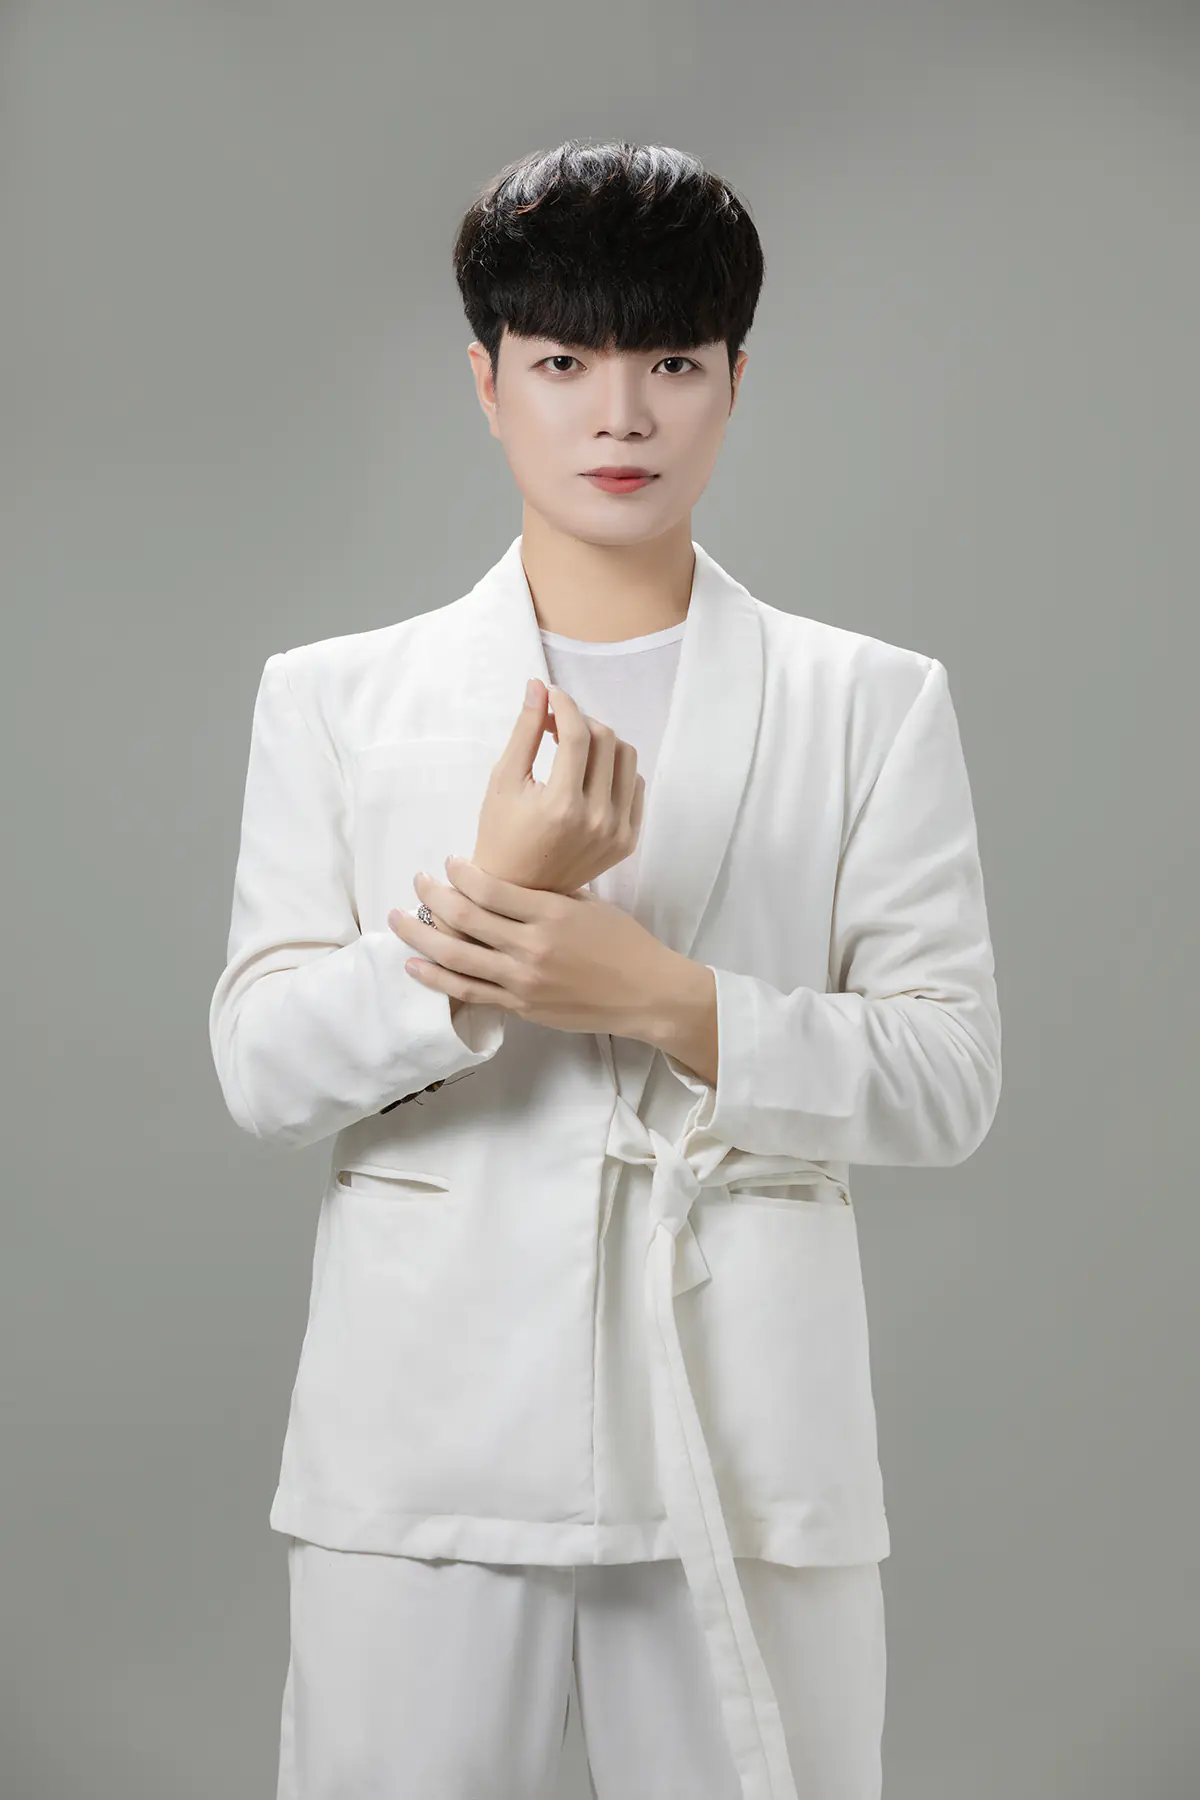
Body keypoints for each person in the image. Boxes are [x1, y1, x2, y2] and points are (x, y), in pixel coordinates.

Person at [209, 138, 1002, 1800]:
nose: (620, 415)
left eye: (673, 365)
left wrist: (660, 995)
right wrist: (496, 911)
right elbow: (264, 1069)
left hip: (748, 1432)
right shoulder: (335, 698)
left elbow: (947, 1081)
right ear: (487, 383)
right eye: (566, 363)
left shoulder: (872, 702)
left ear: (734, 382)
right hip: (424, 1436)